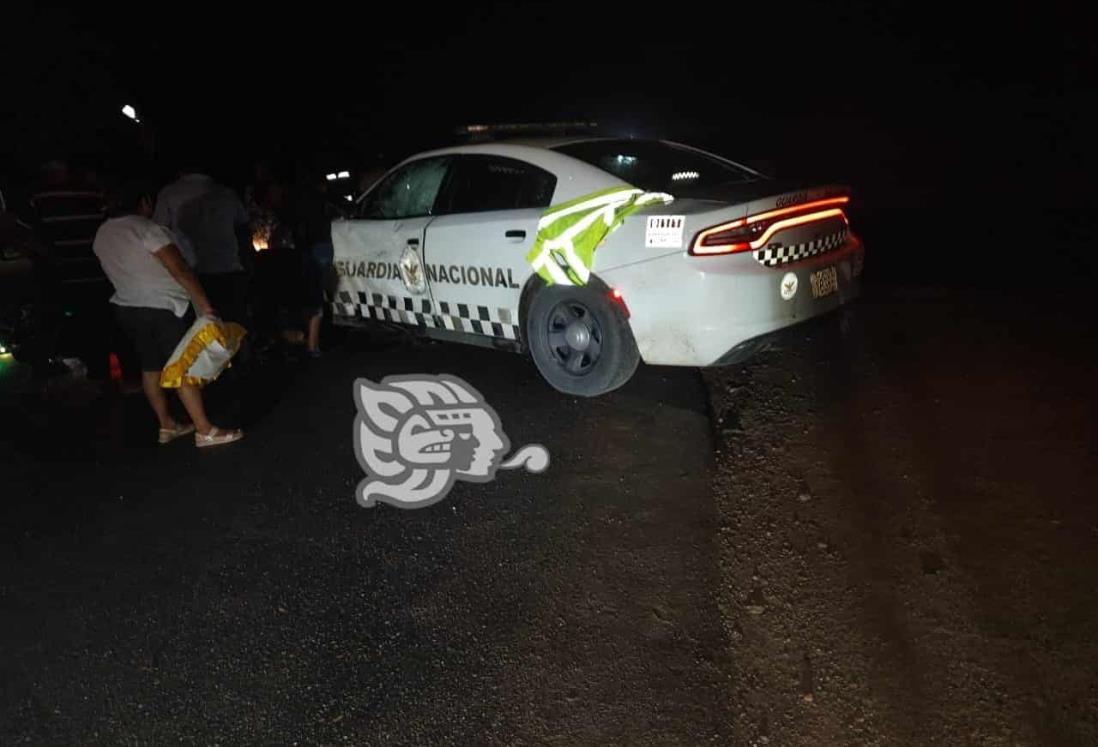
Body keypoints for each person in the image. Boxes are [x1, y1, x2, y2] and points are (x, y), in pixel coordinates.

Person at [93, 179, 243, 447]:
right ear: (144, 202)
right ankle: (204, 430)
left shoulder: (103, 233)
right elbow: (180, 269)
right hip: (165, 307)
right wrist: (204, 304)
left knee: (150, 367)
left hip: (128, 307)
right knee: (182, 366)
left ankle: (167, 425)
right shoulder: (148, 229)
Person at [153, 166, 250, 324]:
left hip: (192, 273)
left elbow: (157, 231)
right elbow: (243, 229)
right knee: (234, 326)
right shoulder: (227, 193)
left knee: (202, 330)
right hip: (229, 268)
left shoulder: (170, 193)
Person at [294, 175, 344, 357]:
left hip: (305, 250)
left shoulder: (299, 201)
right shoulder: (323, 200)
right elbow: (343, 210)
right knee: (318, 298)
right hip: (321, 246)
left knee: (312, 294)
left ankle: (307, 339)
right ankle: (312, 345)